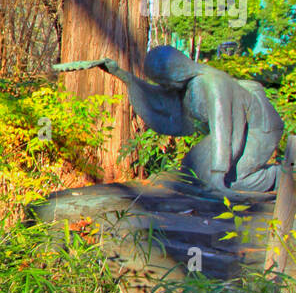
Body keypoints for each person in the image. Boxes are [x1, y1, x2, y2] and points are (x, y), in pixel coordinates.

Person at [98, 45, 283, 193]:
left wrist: (218, 176)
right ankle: (219, 177)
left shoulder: (213, 85)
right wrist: (121, 74)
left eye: (164, 80)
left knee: (231, 182)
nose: (165, 85)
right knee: (191, 170)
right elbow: (161, 99)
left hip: (258, 131)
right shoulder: (190, 84)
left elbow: (225, 130)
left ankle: (277, 176)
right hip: (235, 130)